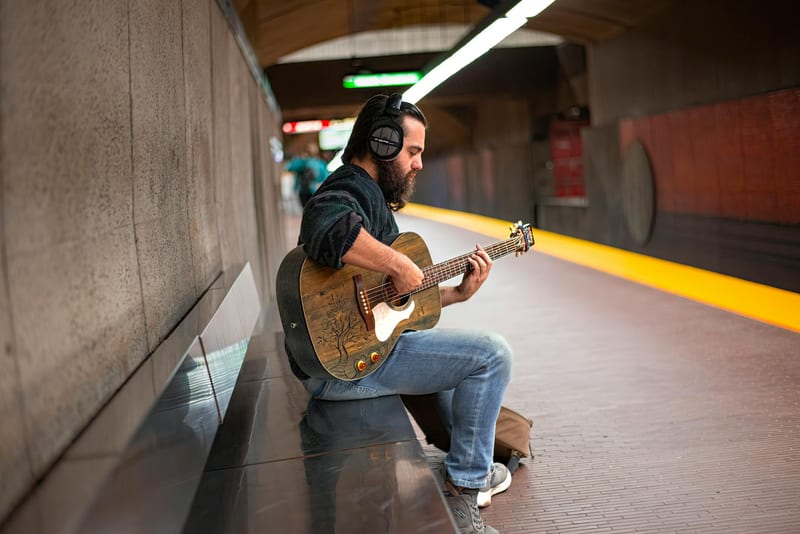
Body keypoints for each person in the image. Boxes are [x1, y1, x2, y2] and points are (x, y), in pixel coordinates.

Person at [288, 93, 513, 534]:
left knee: (457, 357)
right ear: (383, 144)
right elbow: (326, 227)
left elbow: (398, 306)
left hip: (350, 356)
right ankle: (465, 490)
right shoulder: (346, 188)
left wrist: (455, 294)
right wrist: (397, 263)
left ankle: (466, 465)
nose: (419, 164)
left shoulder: (371, 198)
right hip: (342, 366)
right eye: (413, 152)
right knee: (492, 355)